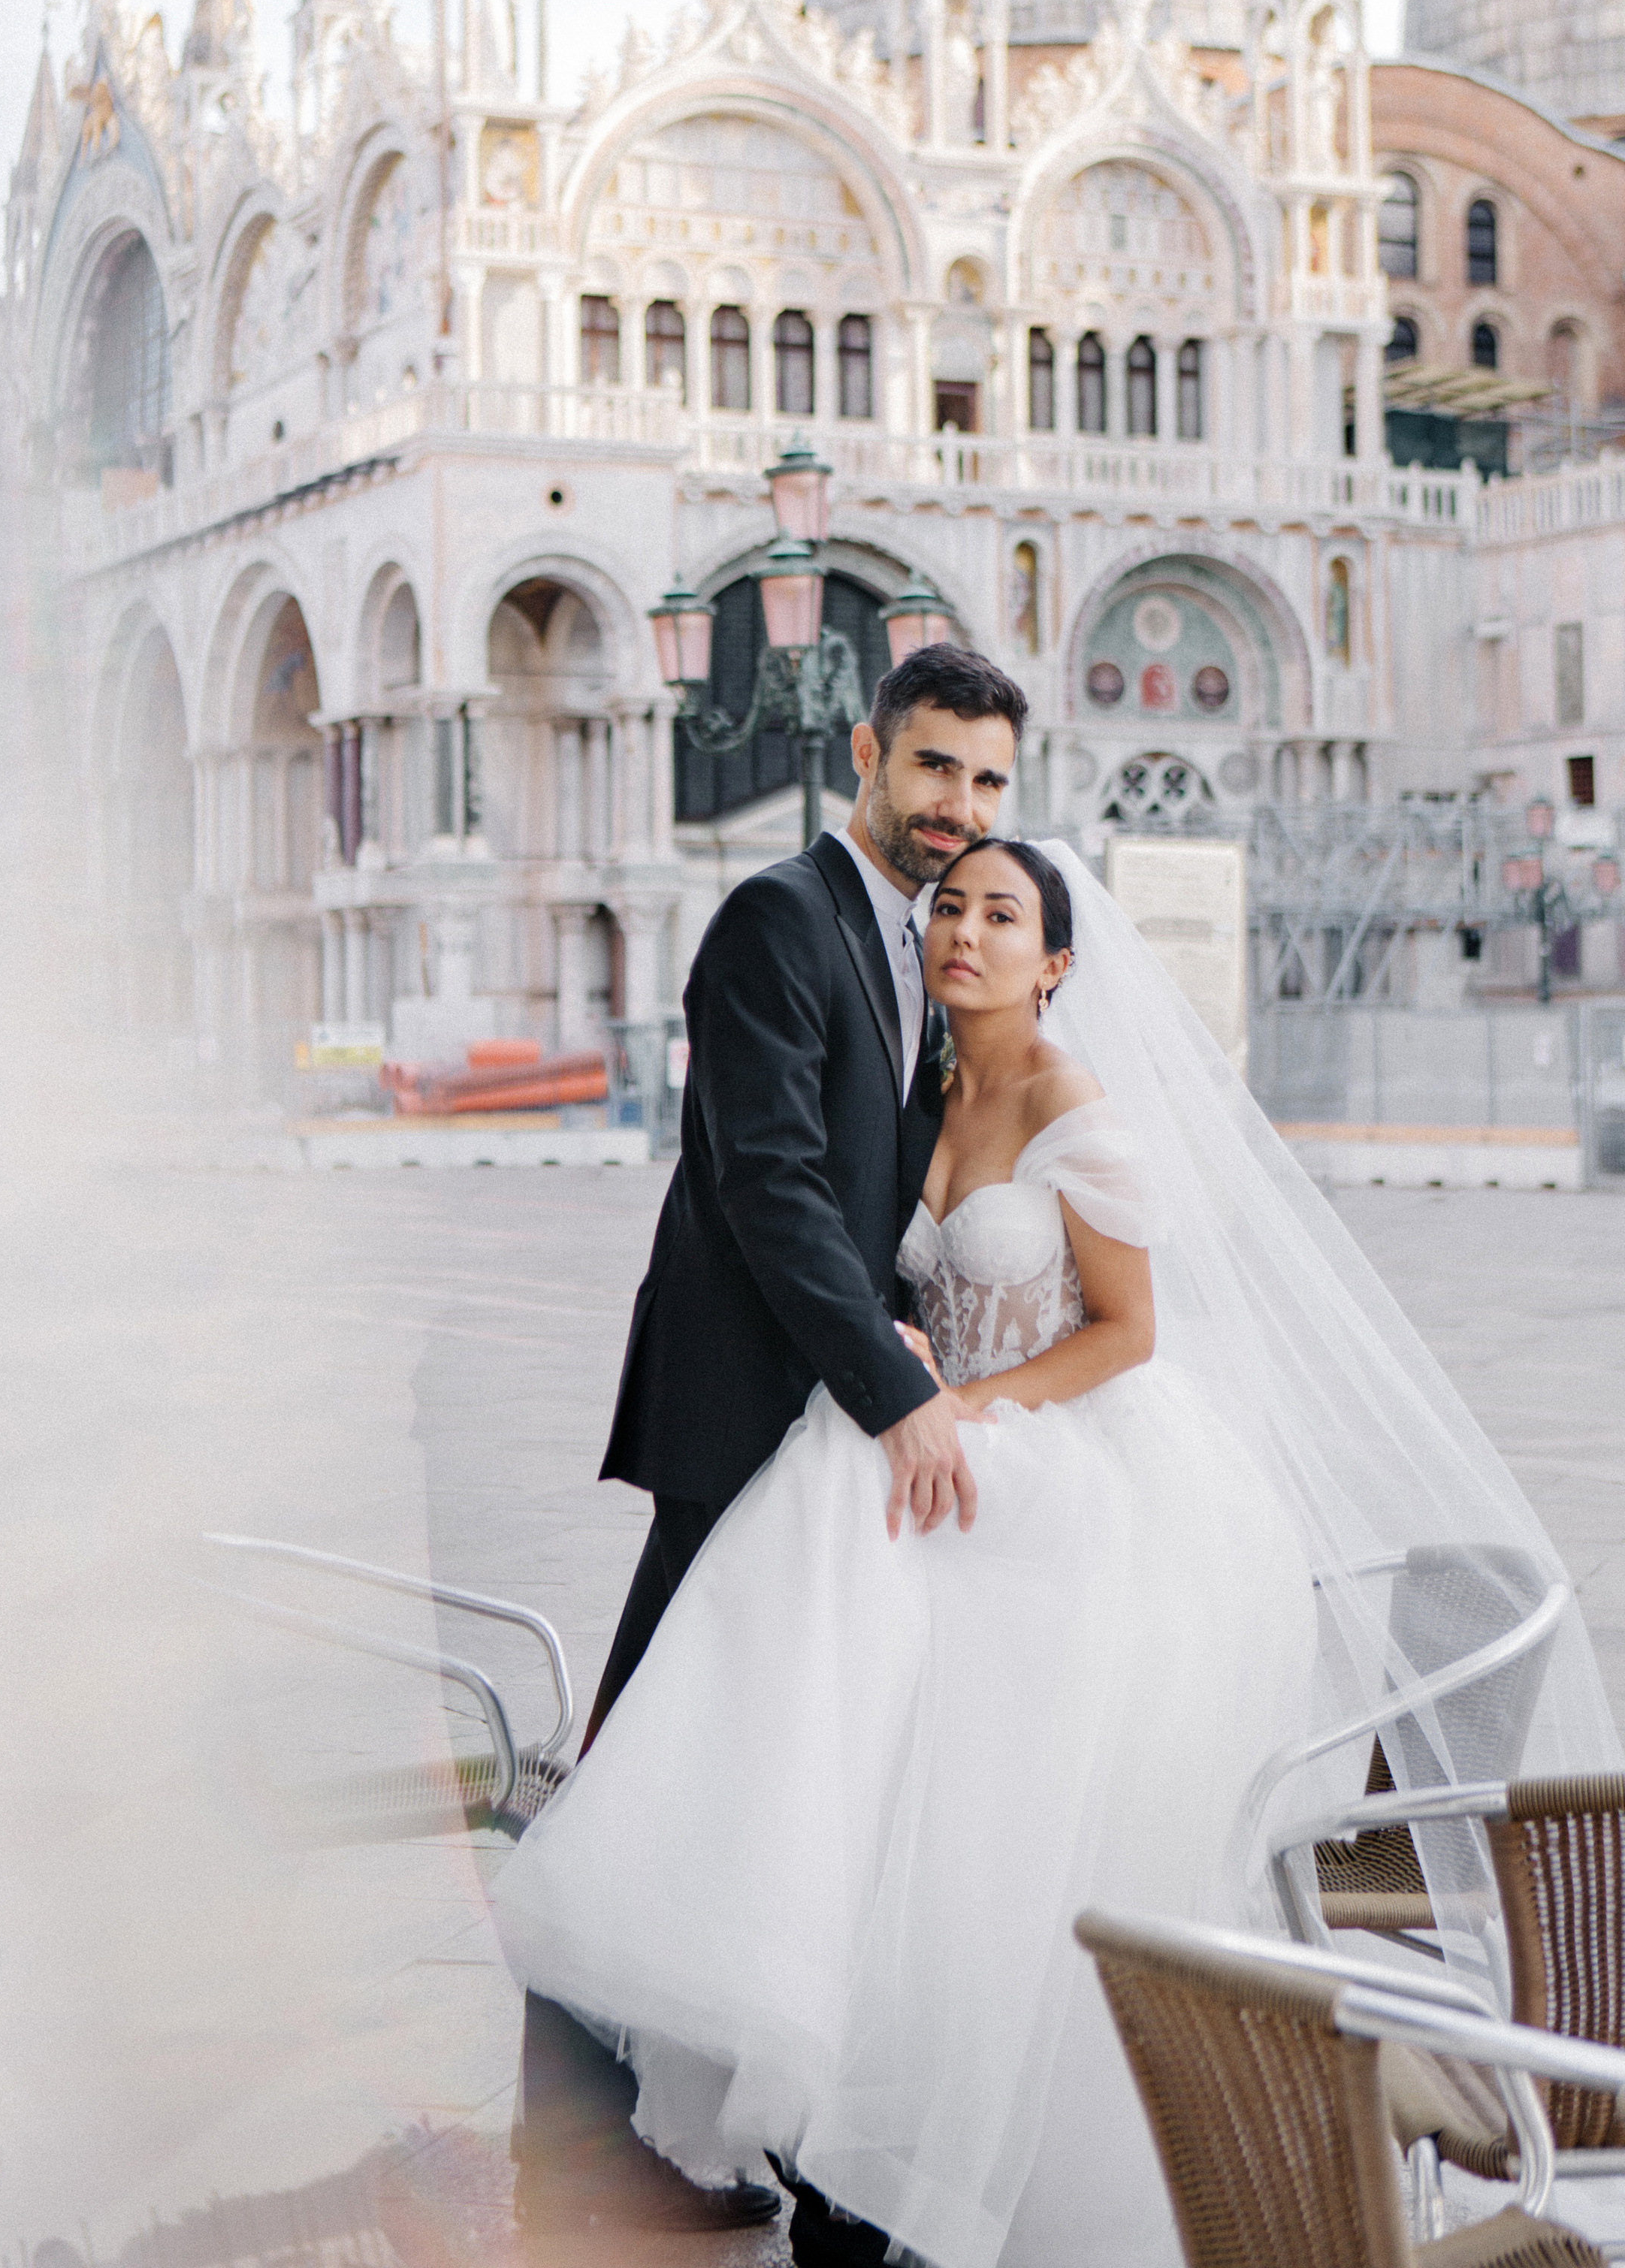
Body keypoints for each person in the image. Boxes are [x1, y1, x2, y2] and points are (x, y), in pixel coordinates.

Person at [496, 834, 1621, 2267]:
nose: (966, 931)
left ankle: (967, 2138)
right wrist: (907, 1367)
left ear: (1058, 962)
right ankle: (799, 2045)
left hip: (1069, 1459)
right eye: (953, 907)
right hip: (946, 1437)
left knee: (990, 1801)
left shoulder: (1074, 1103)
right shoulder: (921, 1095)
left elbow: (1127, 1331)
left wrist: (961, 1403)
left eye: (1003, 915)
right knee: (850, 1712)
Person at [510, 644, 1028, 2239]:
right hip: (739, 1407)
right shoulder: (771, 922)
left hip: (829, 1427)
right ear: (867, 751)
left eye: (988, 781)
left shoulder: (921, 945)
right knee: (644, 1767)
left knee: (768, 1783)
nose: (956, 808)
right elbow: (770, 1184)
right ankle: (570, 2145)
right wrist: (896, 1389)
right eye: (932, 767)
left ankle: (726, 2115)